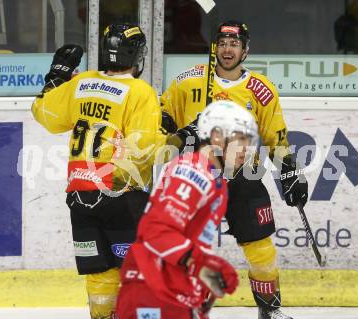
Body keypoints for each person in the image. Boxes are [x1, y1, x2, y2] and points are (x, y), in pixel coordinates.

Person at [32, 23, 197, 319]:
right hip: (120, 194)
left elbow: (43, 113)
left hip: (80, 195)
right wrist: (182, 136)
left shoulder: (81, 82)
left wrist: (55, 77)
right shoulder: (139, 91)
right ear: (135, 55)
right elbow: (147, 151)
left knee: (100, 275)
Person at [160, 20, 309, 319]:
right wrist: (181, 133)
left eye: (235, 44)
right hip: (196, 179)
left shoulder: (261, 90)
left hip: (244, 179)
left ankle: (270, 310)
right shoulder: (188, 81)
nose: (228, 50)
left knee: (261, 250)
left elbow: (275, 136)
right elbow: (163, 119)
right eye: (223, 43)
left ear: (245, 50)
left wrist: (290, 172)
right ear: (216, 47)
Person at [117, 100, 260, 319]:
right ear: (216, 137)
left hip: (172, 294)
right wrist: (204, 264)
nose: (246, 149)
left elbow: (185, 241)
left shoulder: (214, 180)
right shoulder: (194, 170)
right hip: (153, 293)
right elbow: (156, 230)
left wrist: (204, 280)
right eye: (241, 139)